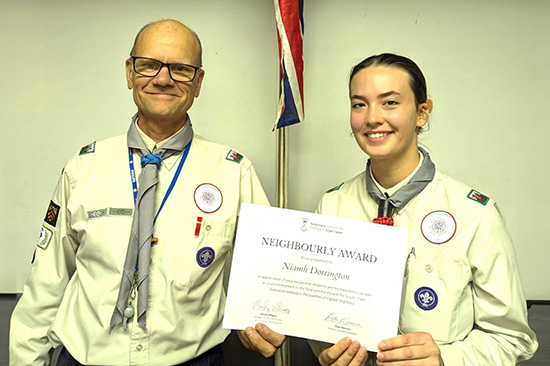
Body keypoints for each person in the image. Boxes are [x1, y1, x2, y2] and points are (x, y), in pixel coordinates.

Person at [9, 19, 282, 366]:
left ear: (198, 83)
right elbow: (45, 284)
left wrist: (267, 319)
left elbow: (269, 270)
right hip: (85, 359)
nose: (163, 78)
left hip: (193, 360)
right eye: (149, 65)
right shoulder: (83, 167)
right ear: (129, 73)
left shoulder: (233, 171)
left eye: (180, 69)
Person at [306, 53, 538, 365]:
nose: (372, 117)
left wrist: (446, 360)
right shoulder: (332, 206)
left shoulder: (474, 215)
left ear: (422, 112)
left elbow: (513, 339)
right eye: (359, 104)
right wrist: (327, 352)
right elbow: (318, 317)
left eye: (389, 102)